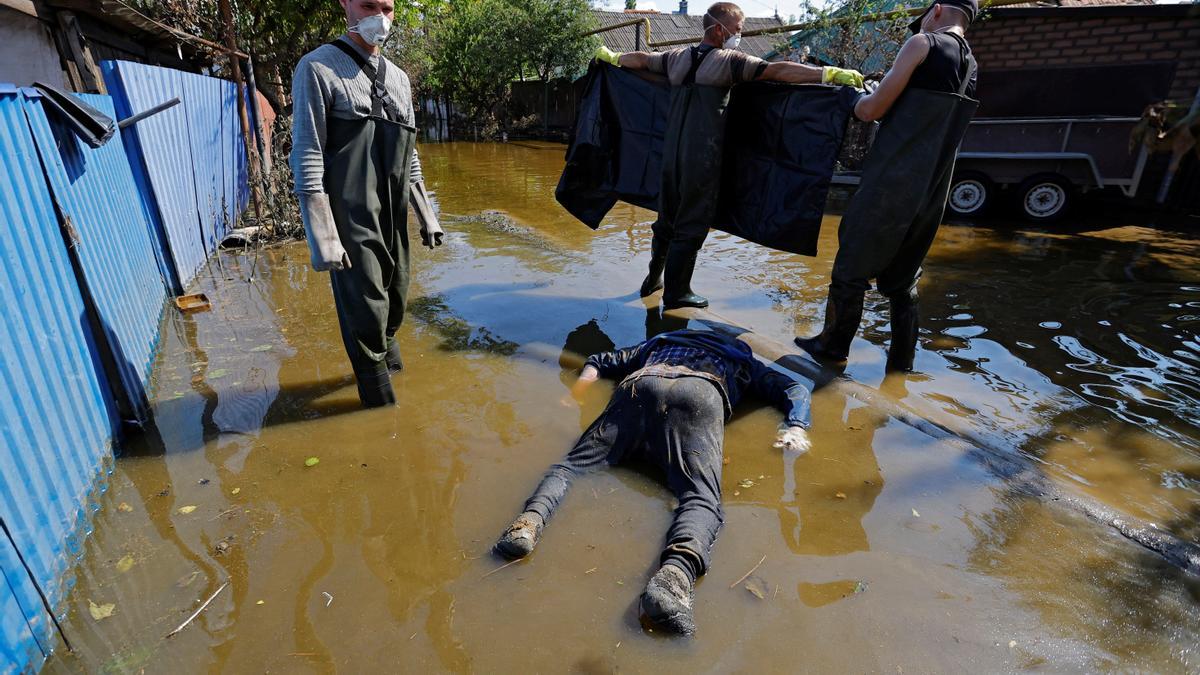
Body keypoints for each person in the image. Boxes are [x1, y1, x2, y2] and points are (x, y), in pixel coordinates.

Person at [494, 329, 814, 636]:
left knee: (569, 467)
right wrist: (795, 427)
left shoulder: (656, 344)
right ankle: (675, 575)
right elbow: (795, 390)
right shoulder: (741, 358)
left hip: (640, 386)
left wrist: (575, 396)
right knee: (699, 497)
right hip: (699, 394)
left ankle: (528, 523)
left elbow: (598, 361)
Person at [594, 2, 864, 309]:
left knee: (666, 218)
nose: (740, 35)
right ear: (720, 29)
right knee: (691, 223)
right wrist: (826, 74)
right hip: (701, 159)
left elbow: (642, 59)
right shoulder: (728, 61)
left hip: (670, 157)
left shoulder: (677, 58)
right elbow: (778, 70)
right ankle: (677, 292)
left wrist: (614, 57)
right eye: (737, 30)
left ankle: (653, 278)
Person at [795, 0, 979, 372]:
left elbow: (871, 110)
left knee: (851, 268)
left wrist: (853, 97)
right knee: (902, 281)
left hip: (893, 182)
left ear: (937, 9)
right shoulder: (973, 65)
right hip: (933, 192)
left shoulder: (923, 44)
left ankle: (832, 346)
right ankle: (901, 365)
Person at [290, 0, 444, 408]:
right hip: (350, 216)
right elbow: (308, 153)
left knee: (395, 296)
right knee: (365, 307)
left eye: (388, 8)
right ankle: (381, 407)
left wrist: (426, 214)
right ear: (345, 4)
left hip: (392, 212)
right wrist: (322, 234)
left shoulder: (399, 78)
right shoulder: (318, 67)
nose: (380, 16)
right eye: (368, 5)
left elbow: (408, 154)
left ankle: (394, 373)